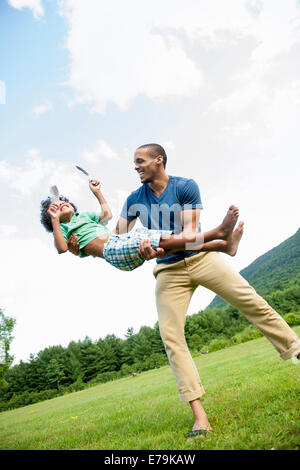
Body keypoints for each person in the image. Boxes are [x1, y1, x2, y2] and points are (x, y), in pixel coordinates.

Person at [67, 143, 300, 438]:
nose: (136, 166)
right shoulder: (134, 200)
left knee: (252, 302)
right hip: (168, 271)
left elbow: (190, 236)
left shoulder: (185, 187)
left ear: (158, 161)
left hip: (201, 258)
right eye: (134, 163)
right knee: (171, 337)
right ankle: (200, 418)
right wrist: (85, 250)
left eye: (140, 161)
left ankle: (296, 351)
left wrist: (158, 244)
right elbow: (117, 239)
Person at [40, 179, 244, 270]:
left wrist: (98, 192)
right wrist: (56, 221)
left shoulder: (84, 217)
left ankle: (222, 246)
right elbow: (62, 248)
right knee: (151, 237)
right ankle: (218, 232)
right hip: (113, 251)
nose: (61, 204)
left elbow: (107, 214)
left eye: (63, 201)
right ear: (52, 218)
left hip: (122, 241)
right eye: (55, 208)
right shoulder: (64, 229)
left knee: (166, 243)